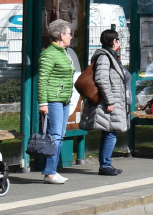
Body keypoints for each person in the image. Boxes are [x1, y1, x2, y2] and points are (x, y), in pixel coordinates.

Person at [81, 28, 130, 177]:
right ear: (113, 41)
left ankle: (106, 164)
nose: (118, 43)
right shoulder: (104, 57)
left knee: (111, 131)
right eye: (117, 40)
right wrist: (110, 100)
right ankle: (105, 165)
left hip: (115, 100)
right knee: (111, 132)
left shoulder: (111, 56)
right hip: (110, 101)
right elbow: (101, 79)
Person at [37, 19, 76, 184]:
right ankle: (50, 172)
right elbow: (42, 80)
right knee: (56, 136)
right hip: (54, 100)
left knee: (59, 136)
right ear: (61, 35)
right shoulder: (49, 54)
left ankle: (52, 171)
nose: (71, 37)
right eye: (69, 34)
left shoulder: (63, 53)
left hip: (63, 99)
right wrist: (43, 103)